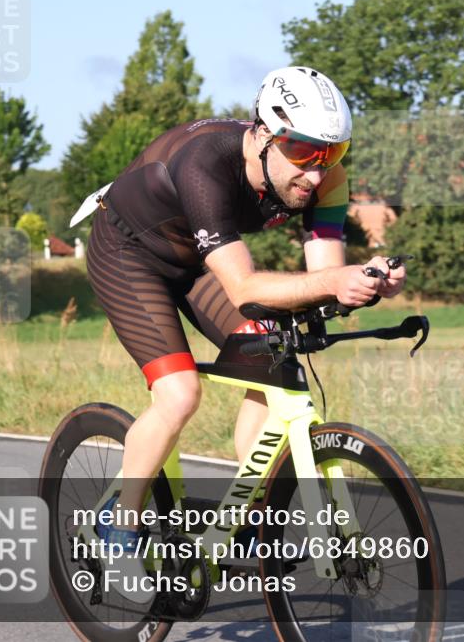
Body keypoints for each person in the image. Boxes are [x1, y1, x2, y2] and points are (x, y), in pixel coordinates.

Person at [83, 67, 406, 598]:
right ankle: (119, 523)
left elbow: (321, 277)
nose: (317, 171)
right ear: (262, 135)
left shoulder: (323, 176)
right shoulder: (205, 165)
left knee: (273, 358)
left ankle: (248, 507)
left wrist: (367, 282)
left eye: (334, 152)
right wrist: (333, 281)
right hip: (130, 254)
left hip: (196, 261)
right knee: (180, 392)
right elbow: (243, 286)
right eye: (303, 150)